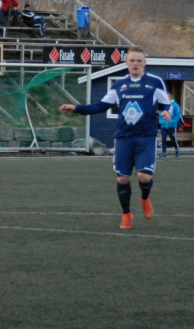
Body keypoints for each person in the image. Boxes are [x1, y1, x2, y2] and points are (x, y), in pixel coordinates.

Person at [60, 46, 172, 230]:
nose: (135, 63)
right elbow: (100, 106)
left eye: (139, 60)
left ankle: (145, 199)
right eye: (132, 60)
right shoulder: (119, 85)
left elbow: (165, 104)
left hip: (146, 137)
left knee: (144, 177)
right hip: (124, 137)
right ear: (126, 62)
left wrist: (166, 112)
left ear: (144, 63)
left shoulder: (155, 82)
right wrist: (76, 108)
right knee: (123, 179)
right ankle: (126, 214)